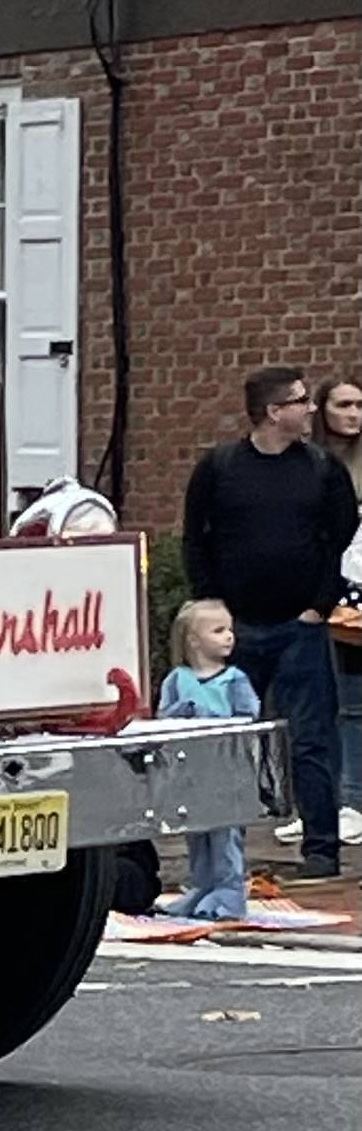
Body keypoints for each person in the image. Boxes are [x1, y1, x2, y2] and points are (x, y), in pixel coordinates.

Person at [182, 364, 356, 881]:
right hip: (236, 626)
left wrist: (318, 607)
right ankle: (221, 851)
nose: (309, 408)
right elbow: (197, 538)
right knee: (230, 738)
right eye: (300, 401)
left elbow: (339, 537)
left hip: (298, 624)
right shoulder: (221, 468)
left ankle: (321, 849)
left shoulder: (322, 470)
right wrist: (211, 606)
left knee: (311, 739)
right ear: (273, 411)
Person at [155, 600, 260, 922]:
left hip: (227, 771)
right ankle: (202, 887)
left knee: (225, 835)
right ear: (193, 640)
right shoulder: (177, 679)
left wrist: (213, 718)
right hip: (192, 773)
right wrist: (179, 713)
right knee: (197, 833)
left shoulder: (234, 679)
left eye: (229, 629)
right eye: (218, 631)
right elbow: (163, 716)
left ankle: (229, 893)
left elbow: (249, 714)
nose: (229, 636)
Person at [321, 370, 362, 844]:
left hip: (355, 597)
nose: (352, 415)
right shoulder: (313, 462)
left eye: (358, 406)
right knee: (318, 704)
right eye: (343, 405)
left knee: (352, 703)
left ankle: (352, 797)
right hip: (319, 592)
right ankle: (323, 800)